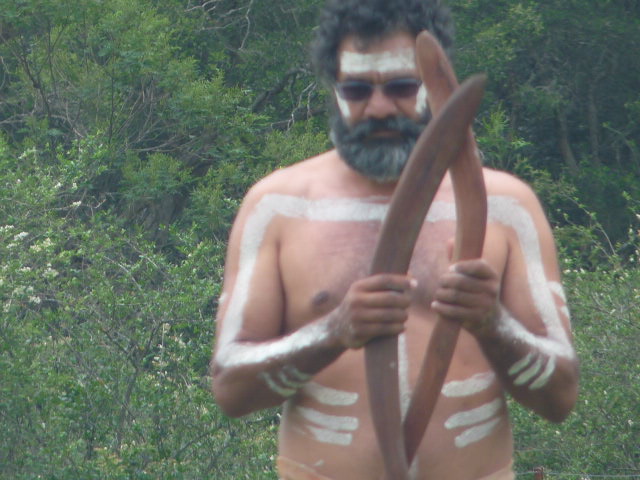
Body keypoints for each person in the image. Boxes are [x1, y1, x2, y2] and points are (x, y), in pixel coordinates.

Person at [210, 0, 579, 478]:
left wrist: (493, 323)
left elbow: (561, 396)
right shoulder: (278, 207)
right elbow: (229, 387)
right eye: (357, 89)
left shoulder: (507, 207)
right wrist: (334, 330)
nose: (380, 107)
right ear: (335, 89)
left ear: (436, 86)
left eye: (403, 87)